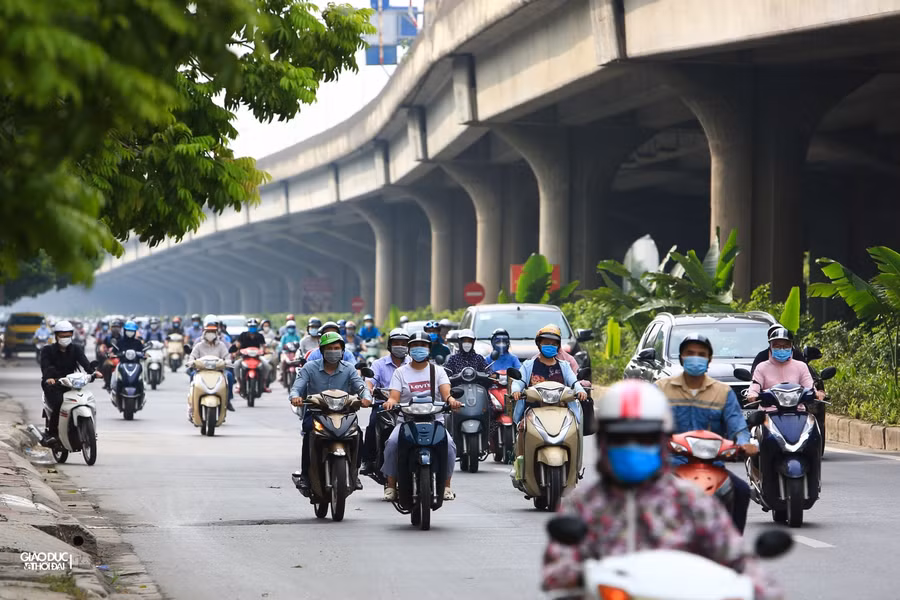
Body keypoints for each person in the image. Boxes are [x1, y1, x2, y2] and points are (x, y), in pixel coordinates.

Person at [541, 380, 782, 600]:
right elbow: (554, 572)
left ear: (661, 442)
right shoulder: (583, 505)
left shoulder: (690, 501)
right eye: (621, 439)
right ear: (604, 442)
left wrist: (757, 588)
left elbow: (737, 558)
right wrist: (581, 576)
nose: (633, 446)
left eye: (645, 438)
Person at [655, 333, 755, 533]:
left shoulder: (722, 392)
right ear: (681, 357)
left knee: (742, 491)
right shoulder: (661, 388)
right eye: (690, 353)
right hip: (670, 465)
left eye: (701, 354)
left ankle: (733, 550)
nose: (695, 357)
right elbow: (647, 421)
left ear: (709, 359)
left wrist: (745, 443)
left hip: (712, 465)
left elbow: (737, 425)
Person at [380, 332, 462, 501]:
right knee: (392, 444)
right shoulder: (400, 373)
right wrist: (390, 402)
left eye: (423, 346)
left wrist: (452, 401)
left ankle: (446, 486)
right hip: (406, 422)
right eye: (415, 346)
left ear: (429, 349)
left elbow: (446, 393)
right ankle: (390, 485)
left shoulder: (438, 371)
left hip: (434, 421)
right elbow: (394, 396)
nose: (419, 349)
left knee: (450, 446)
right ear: (409, 350)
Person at [290, 331, 372, 494]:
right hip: (315, 412)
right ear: (322, 351)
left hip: (344, 413)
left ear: (342, 350)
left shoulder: (349, 368)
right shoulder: (310, 367)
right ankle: (306, 476)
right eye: (329, 348)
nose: (333, 352)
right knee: (308, 434)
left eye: (336, 348)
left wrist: (366, 397)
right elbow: (297, 387)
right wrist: (296, 397)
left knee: (358, 435)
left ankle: (354, 474)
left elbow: (360, 386)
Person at [39, 321, 103, 445]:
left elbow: (85, 364)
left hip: (72, 382)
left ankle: (84, 430)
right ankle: (51, 434)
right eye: (62, 336)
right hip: (53, 384)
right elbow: (45, 367)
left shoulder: (76, 349)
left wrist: (94, 372)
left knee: (86, 398)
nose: (65, 338)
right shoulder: (47, 350)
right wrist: (49, 378)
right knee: (59, 402)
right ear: (56, 336)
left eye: (68, 336)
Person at [511, 324, 586, 426]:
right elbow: (519, 382)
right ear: (539, 344)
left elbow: (574, 381)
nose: (550, 346)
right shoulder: (528, 365)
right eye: (546, 343)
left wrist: (580, 390)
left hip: (562, 413)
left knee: (573, 429)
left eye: (553, 344)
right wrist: (516, 390)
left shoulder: (564, 366)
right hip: (532, 413)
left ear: (558, 346)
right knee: (523, 429)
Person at [361, 328, 410, 475]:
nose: (400, 346)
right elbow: (369, 381)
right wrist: (368, 391)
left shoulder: (413, 364)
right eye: (396, 343)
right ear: (389, 345)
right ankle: (368, 460)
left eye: (403, 343)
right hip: (384, 405)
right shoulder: (379, 364)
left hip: (409, 406)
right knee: (372, 423)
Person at [748, 327, 823, 402]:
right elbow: (755, 386)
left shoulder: (801, 366)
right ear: (770, 347)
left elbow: (809, 386)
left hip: (797, 409)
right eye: (777, 346)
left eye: (786, 346)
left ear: (791, 347)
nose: (782, 349)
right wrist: (752, 394)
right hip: (768, 409)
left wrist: (817, 393)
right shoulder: (761, 367)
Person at [189, 319, 235, 413]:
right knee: (192, 375)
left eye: (213, 332)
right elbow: (192, 356)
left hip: (218, 371)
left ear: (216, 333)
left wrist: (228, 362)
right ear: (204, 332)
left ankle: (228, 399)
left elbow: (227, 356)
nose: (210, 334)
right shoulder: (199, 345)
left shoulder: (221, 345)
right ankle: (192, 402)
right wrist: (191, 362)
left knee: (229, 376)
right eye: (208, 331)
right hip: (201, 371)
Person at [233, 318, 271, 394]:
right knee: (236, 364)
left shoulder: (260, 336)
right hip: (245, 357)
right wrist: (235, 352)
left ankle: (263, 384)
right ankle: (239, 383)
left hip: (257, 357)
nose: (252, 328)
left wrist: (266, 351)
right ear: (248, 327)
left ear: (257, 327)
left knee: (266, 366)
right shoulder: (243, 335)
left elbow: (264, 346)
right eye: (251, 326)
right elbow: (238, 345)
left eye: (254, 326)